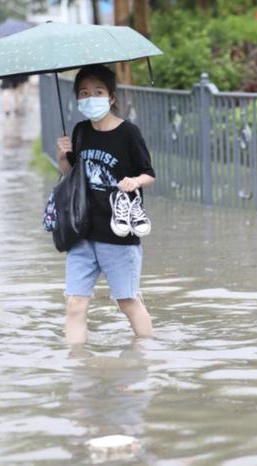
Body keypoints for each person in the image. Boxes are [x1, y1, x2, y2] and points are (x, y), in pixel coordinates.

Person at [55, 64, 155, 342]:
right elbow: (72, 178)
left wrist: (135, 181)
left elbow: (149, 174)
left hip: (118, 231)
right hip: (82, 231)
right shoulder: (80, 131)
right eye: (84, 93)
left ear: (111, 97)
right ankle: (77, 373)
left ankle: (145, 360)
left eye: (98, 92)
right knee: (75, 304)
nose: (90, 98)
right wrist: (63, 157)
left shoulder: (129, 133)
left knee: (127, 302)